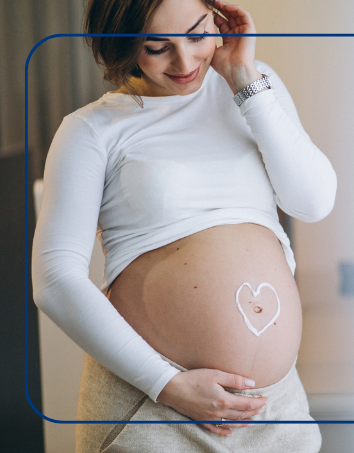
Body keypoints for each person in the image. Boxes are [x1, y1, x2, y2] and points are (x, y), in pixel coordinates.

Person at [30, 0, 335, 451]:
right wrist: (167, 383)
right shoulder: (91, 129)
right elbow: (55, 279)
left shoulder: (255, 85)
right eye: (157, 47)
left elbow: (312, 202)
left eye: (196, 35)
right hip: (153, 410)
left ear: (218, 15)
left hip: (274, 408)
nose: (185, 61)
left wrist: (243, 80)